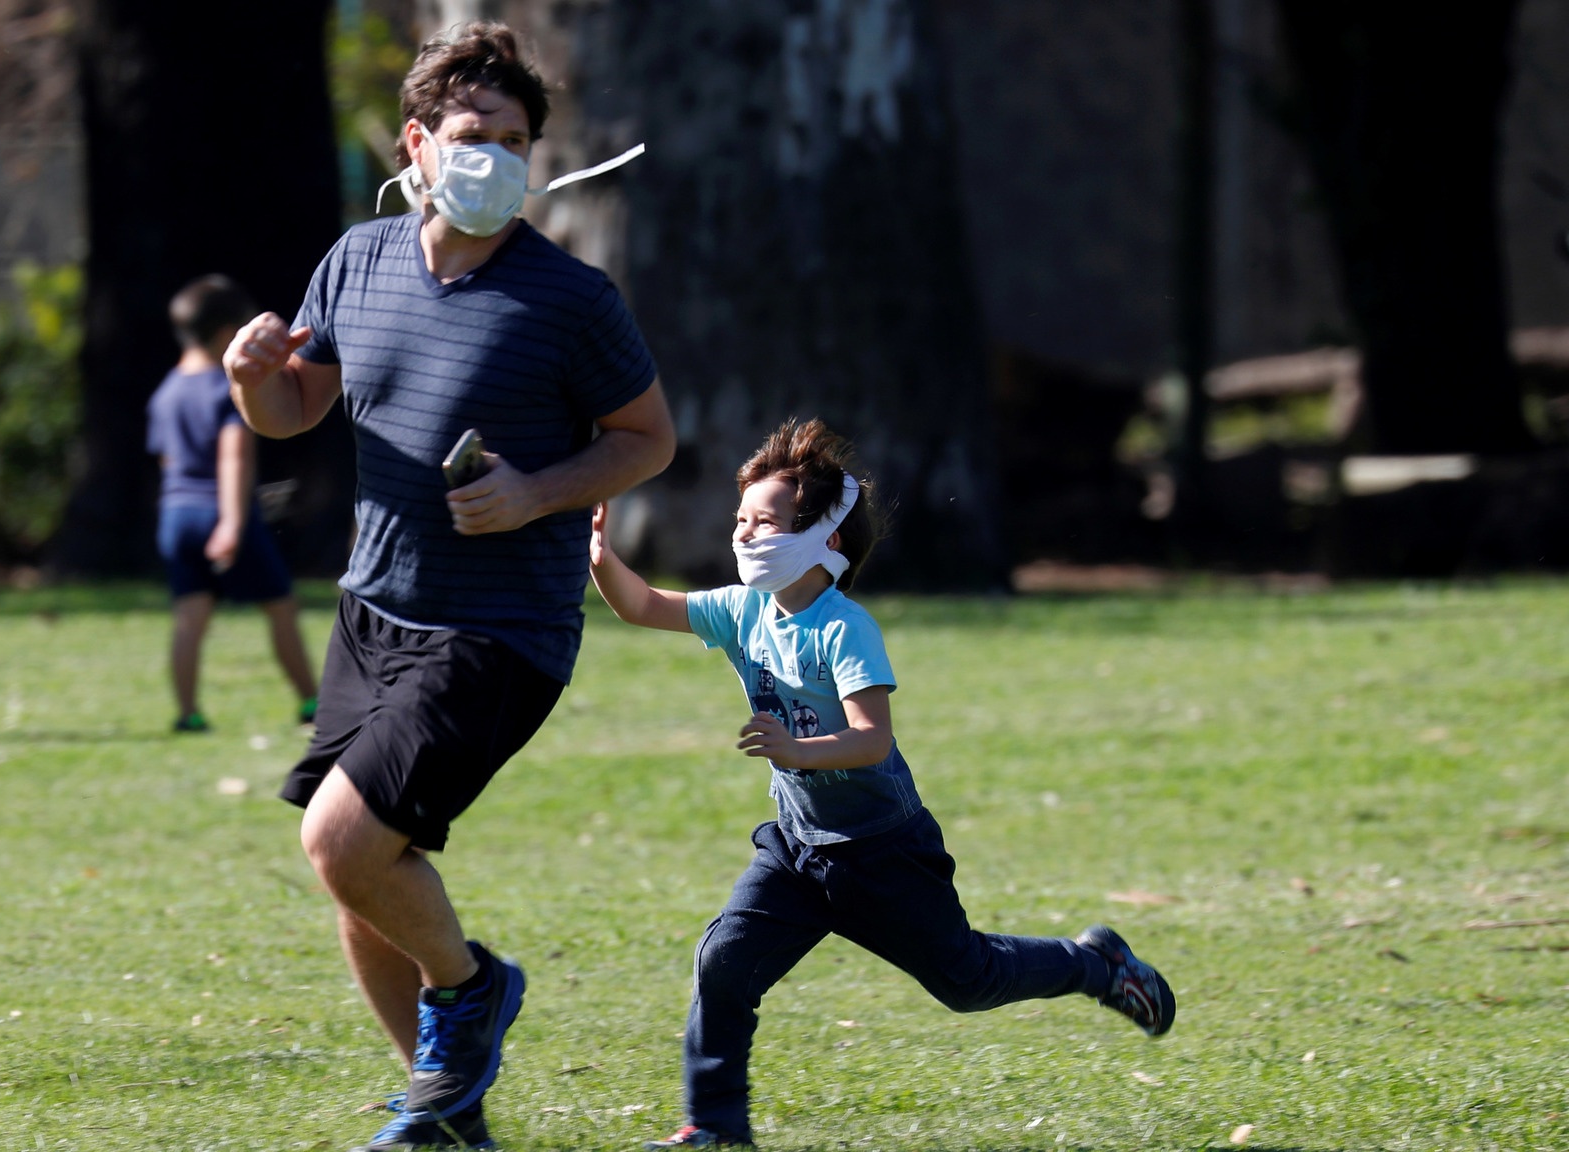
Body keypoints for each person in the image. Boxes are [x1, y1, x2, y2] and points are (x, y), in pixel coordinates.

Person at [222, 22, 674, 1150]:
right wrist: (248, 383)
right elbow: (295, 410)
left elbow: (647, 440)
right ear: (416, 144)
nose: (494, 159)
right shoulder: (357, 260)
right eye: (472, 135)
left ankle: (469, 990)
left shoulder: (571, 298)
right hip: (371, 610)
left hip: (498, 627)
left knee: (341, 844)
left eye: (514, 140)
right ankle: (444, 1109)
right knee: (362, 874)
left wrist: (536, 493)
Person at [588, 419, 1175, 1149]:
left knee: (968, 980)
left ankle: (1095, 965)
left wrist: (795, 750)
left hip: (882, 851)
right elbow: (641, 604)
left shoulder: (845, 628)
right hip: (800, 850)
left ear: (825, 540)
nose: (744, 534)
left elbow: (872, 740)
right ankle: (714, 1126)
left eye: (764, 521)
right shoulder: (744, 612)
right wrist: (600, 556)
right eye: (740, 518)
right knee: (724, 962)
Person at [148, 274, 319, 732]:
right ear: (228, 333)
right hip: (219, 512)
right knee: (280, 606)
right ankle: (312, 703)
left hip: (175, 515)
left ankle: (188, 713)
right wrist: (231, 521)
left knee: (189, 616)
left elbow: (167, 461)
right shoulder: (227, 387)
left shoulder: (167, 391)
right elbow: (233, 455)